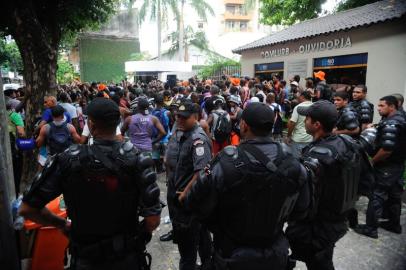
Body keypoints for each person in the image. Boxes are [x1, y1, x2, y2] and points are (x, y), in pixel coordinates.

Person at [20, 98, 162, 270]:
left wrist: (62, 224)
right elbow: (152, 220)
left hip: (85, 257)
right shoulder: (139, 159)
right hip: (126, 257)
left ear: (91, 125)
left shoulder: (67, 160)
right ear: (118, 122)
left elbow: (27, 209)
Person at [181, 102, 310, 269]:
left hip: (231, 254)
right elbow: (302, 211)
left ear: (244, 125)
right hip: (274, 253)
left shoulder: (224, 162)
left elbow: (195, 202)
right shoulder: (295, 164)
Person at [286, 100, 361, 270]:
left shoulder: (316, 156)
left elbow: (300, 196)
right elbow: (365, 181)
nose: (304, 121)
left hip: (318, 226)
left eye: (307, 119)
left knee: (319, 262)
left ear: (316, 124)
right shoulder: (348, 143)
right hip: (338, 220)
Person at [167, 100, 213, 270]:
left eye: (184, 117)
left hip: (189, 200)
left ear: (195, 117)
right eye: (177, 116)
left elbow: (203, 171)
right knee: (200, 235)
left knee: (187, 249)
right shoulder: (181, 133)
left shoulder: (198, 139)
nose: (179, 119)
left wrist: (184, 194)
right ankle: (208, 263)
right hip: (179, 195)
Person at [354, 96, 406, 238]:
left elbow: (387, 149)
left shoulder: (392, 123)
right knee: (395, 195)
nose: (378, 108)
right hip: (398, 164)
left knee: (377, 195)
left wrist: (372, 161)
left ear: (392, 107)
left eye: (382, 105)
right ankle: (394, 224)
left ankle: (371, 228)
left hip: (387, 166)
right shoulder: (401, 118)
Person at [285, 91, 313, 158]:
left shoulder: (298, 107)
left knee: (296, 160)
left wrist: (288, 136)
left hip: (298, 139)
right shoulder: (315, 106)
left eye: (299, 96)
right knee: (307, 159)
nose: (298, 98)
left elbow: (292, 123)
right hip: (310, 139)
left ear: (302, 97)